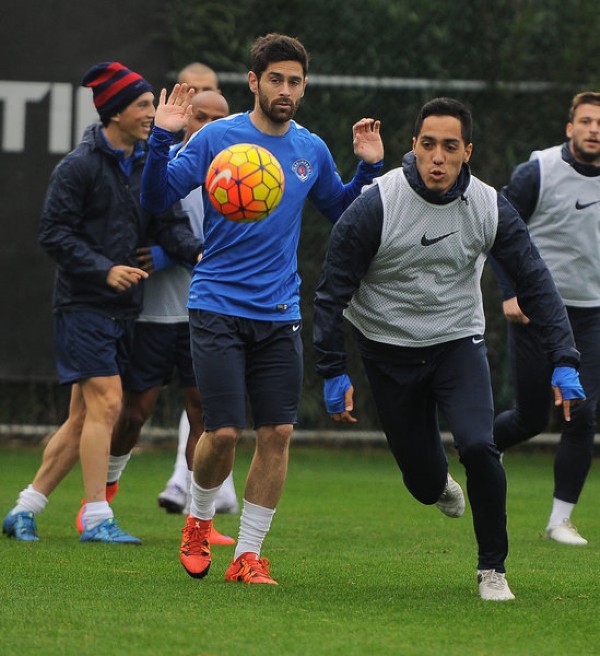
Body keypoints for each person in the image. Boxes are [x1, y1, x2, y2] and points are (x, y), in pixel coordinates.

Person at [312, 97, 584, 601]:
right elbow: (331, 292)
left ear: (467, 152)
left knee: (479, 446)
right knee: (421, 483)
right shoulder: (377, 204)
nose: (438, 157)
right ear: (413, 146)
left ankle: (492, 569)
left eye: (450, 147)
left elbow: (535, 280)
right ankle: (435, 482)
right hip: (387, 348)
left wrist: (565, 359)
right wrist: (333, 369)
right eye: (429, 144)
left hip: (457, 341)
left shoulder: (488, 205)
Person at [140, 33, 384, 585]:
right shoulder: (216, 138)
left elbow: (342, 212)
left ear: (304, 86)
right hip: (216, 305)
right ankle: (199, 521)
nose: (285, 90)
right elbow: (155, 198)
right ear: (254, 81)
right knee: (223, 432)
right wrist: (162, 137)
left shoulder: (310, 149)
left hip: (278, 311)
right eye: (275, 79)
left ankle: (248, 555)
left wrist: (368, 170)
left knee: (277, 433)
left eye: (295, 81)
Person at [2, 62, 198, 544]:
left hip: (125, 309)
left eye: (153, 104)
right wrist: (104, 268)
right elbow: (54, 233)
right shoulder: (79, 166)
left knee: (82, 419)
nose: (152, 113)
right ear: (114, 112)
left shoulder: (150, 165)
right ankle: (96, 517)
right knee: (109, 403)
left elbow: (169, 226)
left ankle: (25, 508)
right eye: (143, 105)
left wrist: (202, 253)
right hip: (83, 305)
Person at [90, 89, 237, 546]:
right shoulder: (163, 165)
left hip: (204, 313)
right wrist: (162, 249)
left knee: (203, 413)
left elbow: (223, 244)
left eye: (217, 119)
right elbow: (147, 219)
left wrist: (172, 254)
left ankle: (200, 518)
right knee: (135, 412)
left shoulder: (243, 174)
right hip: (154, 312)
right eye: (200, 116)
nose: (206, 126)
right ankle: (103, 500)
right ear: (185, 118)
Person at [492, 91, 600, 545]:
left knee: (582, 415)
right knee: (531, 418)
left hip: (592, 316)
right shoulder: (538, 171)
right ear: (570, 127)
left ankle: (560, 521)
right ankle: (483, 447)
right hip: (537, 313)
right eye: (587, 121)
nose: (594, 129)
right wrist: (510, 292)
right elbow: (498, 227)